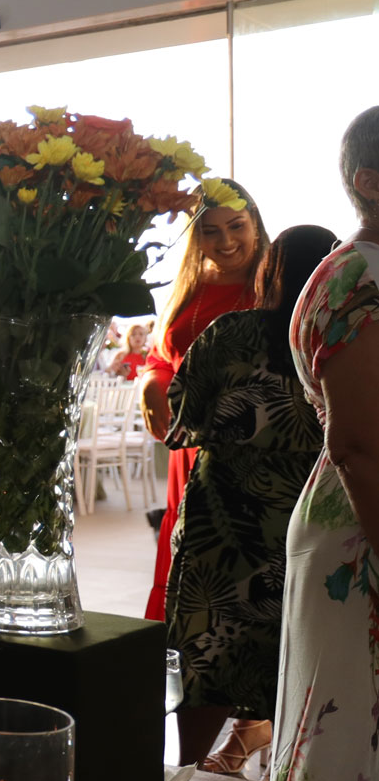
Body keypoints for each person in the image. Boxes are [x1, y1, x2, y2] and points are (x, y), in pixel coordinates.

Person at [264, 109, 379, 781]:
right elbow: (362, 444)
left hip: (347, 531)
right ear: (367, 180)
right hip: (363, 540)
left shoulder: (348, 272)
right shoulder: (359, 280)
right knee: (348, 760)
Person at [161, 226, 332, 775]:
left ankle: (188, 766)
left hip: (223, 516)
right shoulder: (335, 337)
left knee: (209, 641)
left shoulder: (230, 331)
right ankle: (288, 766)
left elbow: (184, 413)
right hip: (306, 510)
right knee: (294, 638)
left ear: (270, 272)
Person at [145, 179, 270, 623]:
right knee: (184, 550)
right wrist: (151, 383)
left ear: (255, 224)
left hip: (248, 453)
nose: (226, 241)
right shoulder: (188, 286)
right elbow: (162, 356)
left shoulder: (273, 285)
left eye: (236, 226)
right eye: (210, 231)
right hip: (187, 449)